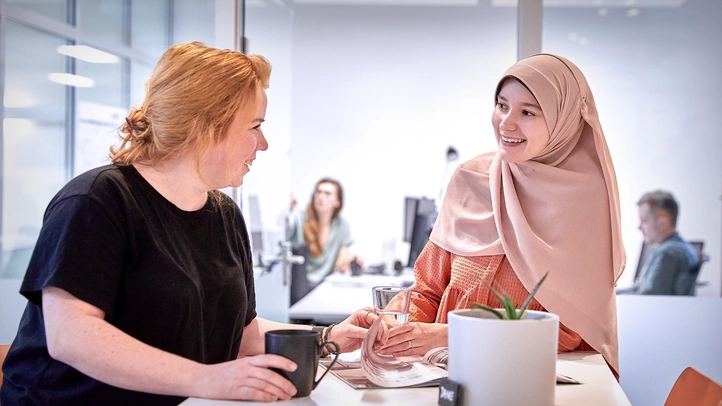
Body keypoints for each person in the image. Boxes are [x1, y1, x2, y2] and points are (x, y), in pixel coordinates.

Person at [0, 42, 384, 406]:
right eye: (253, 126)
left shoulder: (224, 215)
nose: (262, 143)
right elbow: (72, 337)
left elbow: (244, 336)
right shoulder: (95, 201)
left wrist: (327, 337)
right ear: (205, 126)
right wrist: (205, 378)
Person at [375, 54, 626, 378]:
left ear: (563, 119)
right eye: (502, 105)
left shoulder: (587, 201)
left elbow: (571, 329)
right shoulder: (471, 178)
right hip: (448, 378)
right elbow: (428, 290)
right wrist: (391, 325)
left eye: (528, 112)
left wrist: (454, 335)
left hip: (538, 384)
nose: (506, 123)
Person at [286, 178, 362, 286]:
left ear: (337, 202)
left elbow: (341, 265)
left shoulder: (341, 225)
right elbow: (284, 229)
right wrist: (287, 208)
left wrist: (351, 259)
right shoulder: (299, 218)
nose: (321, 196)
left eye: (327, 193)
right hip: (299, 286)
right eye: (318, 192)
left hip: (323, 286)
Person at [626, 190, 700, 295]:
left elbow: (651, 297)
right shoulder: (681, 247)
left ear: (663, 223)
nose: (639, 227)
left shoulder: (668, 254)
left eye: (644, 221)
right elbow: (641, 290)